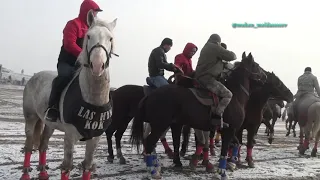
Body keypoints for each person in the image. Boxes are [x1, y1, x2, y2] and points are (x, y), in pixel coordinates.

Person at [45, 0, 103, 122]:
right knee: (64, 78)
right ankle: (53, 108)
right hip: (67, 62)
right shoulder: (73, 24)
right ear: (88, 12)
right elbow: (69, 44)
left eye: (97, 13)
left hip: (82, 64)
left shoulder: (93, 29)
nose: (96, 15)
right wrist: (85, 56)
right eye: (95, 12)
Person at [194, 34, 237, 126]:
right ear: (218, 42)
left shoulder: (206, 47)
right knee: (228, 95)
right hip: (207, 79)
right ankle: (216, 117)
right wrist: (223, 50)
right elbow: (232, 56)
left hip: (201, 77)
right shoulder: (214, 47)